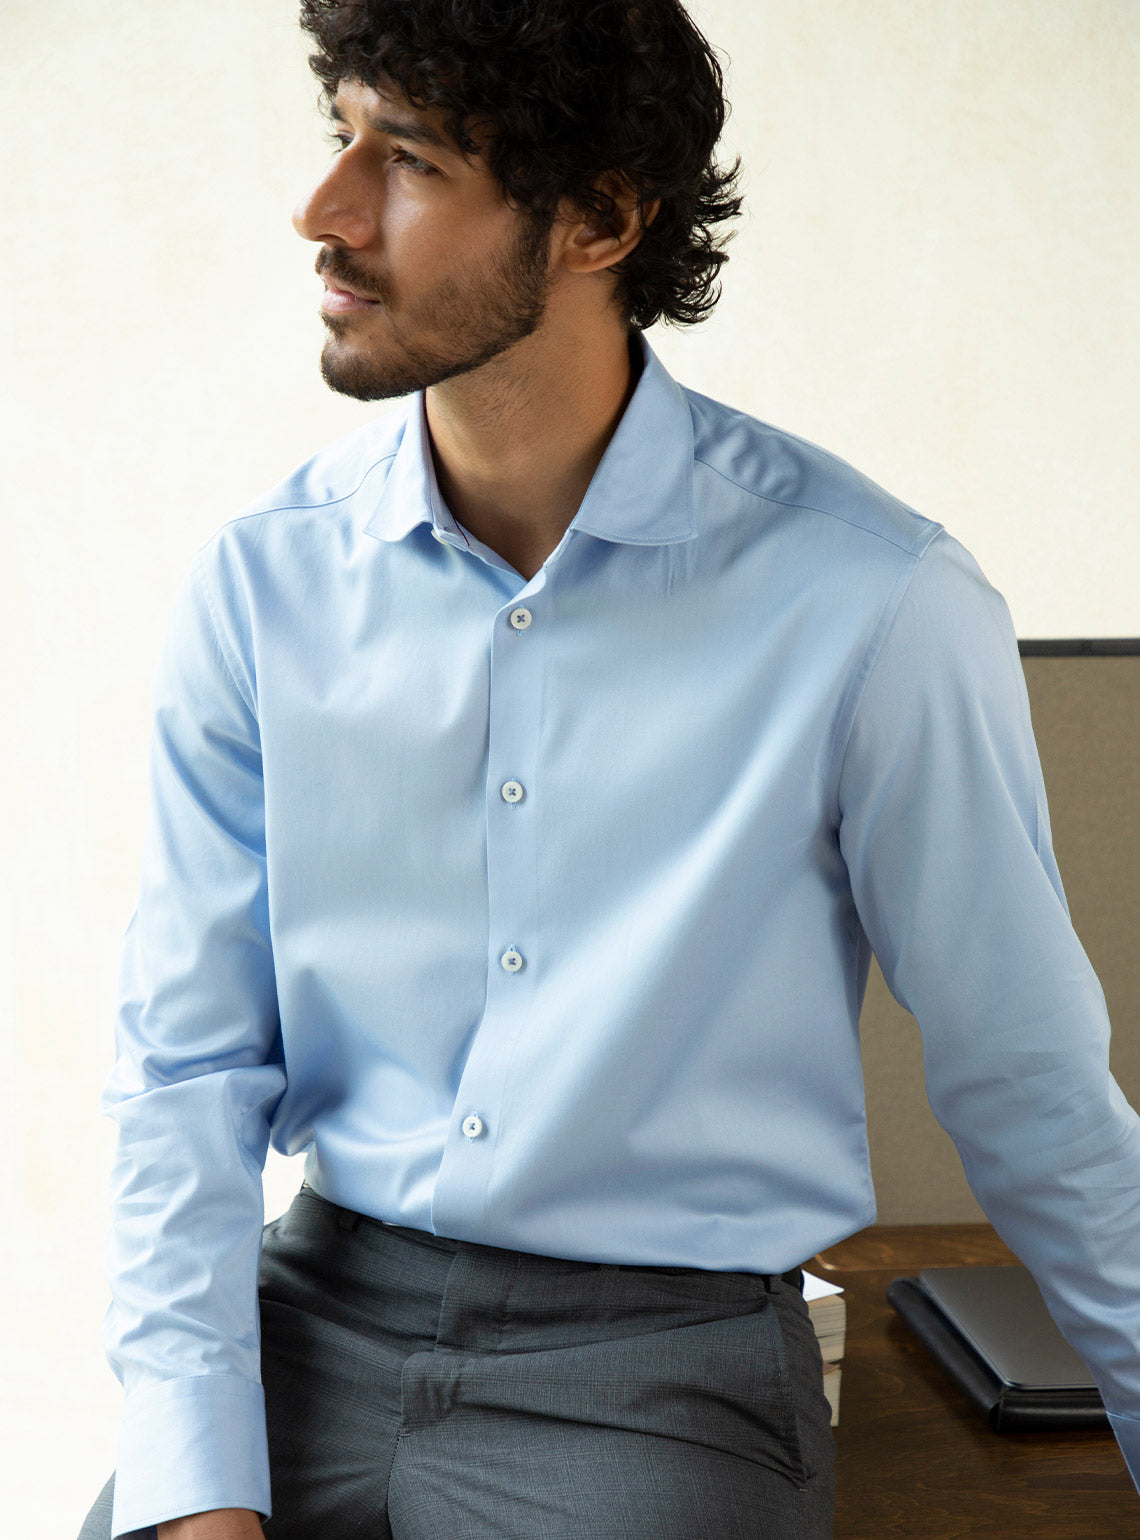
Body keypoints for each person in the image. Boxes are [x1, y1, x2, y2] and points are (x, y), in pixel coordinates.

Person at [80, 2, 1140, 1537]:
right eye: (341, 136)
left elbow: (1031, 1092)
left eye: (411, 160)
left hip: (653, 1378)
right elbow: (182, 1077)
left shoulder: (875, 606)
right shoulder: (263, 587)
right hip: (310, 1315)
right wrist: (198, 1498)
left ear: (600, 219)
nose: (325, 210)